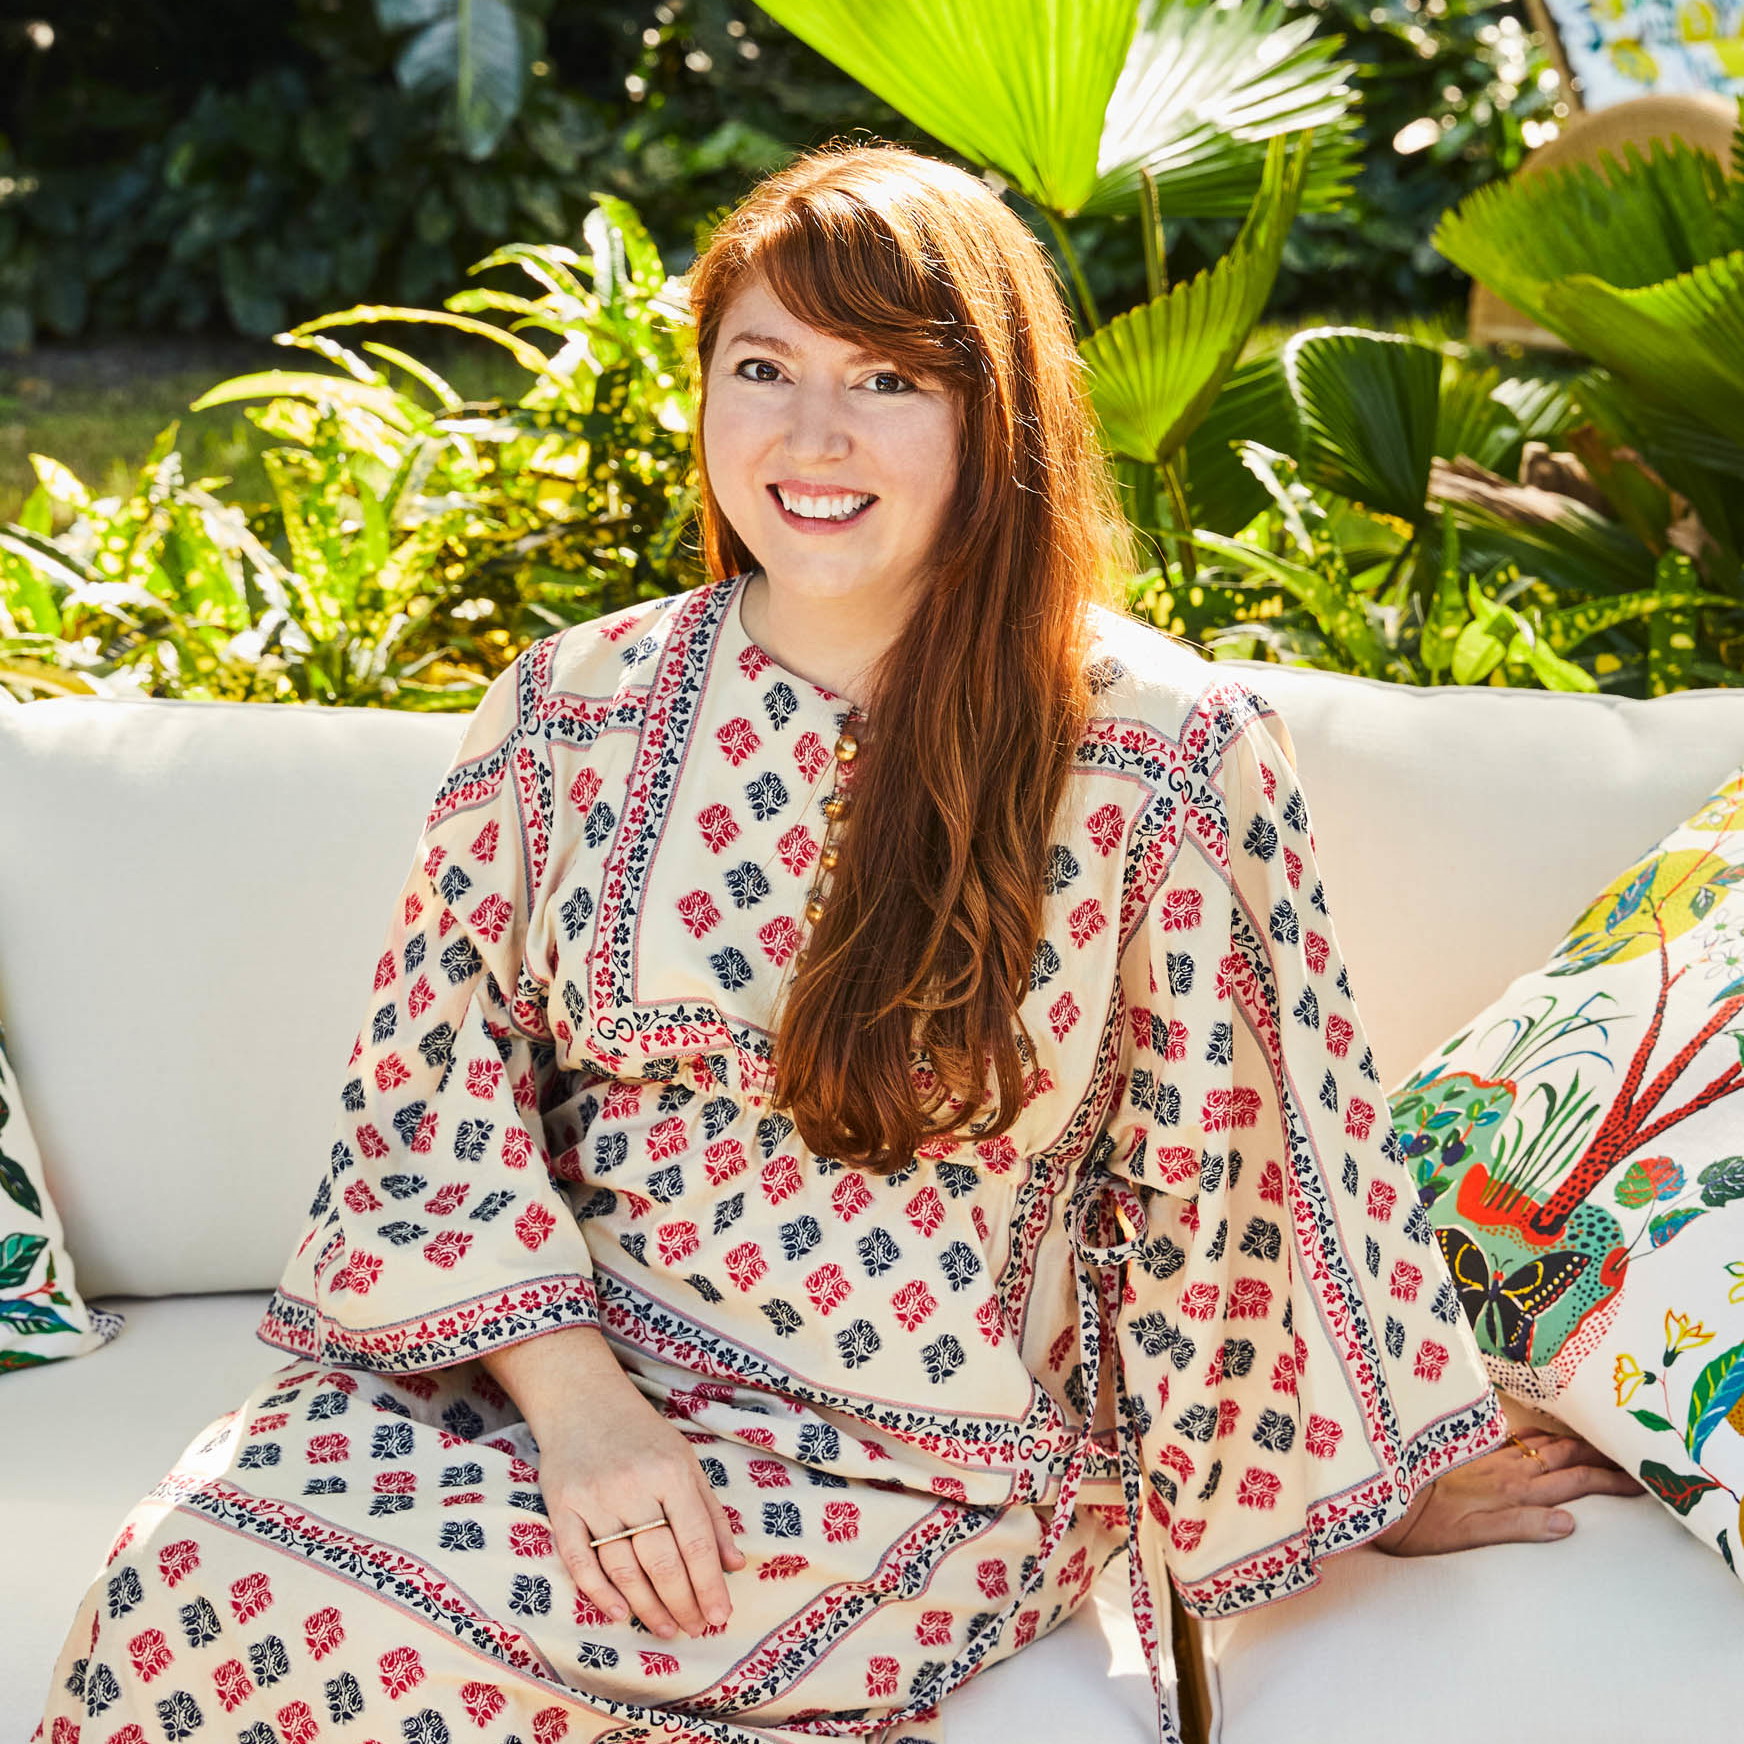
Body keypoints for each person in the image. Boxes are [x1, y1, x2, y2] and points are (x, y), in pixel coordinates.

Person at [34, 142, 1640, 1744]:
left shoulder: (1161, 756)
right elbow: (431, 1098)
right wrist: (584, 1413)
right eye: (763, 368)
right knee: (193, 1578)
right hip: (547, 1374)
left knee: (438, 1657)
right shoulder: (567, 709)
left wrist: (1361, 1483)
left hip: (924, 1455)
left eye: (886, 379)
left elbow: (1232, 1170)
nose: (812, 435)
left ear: (992, 415)